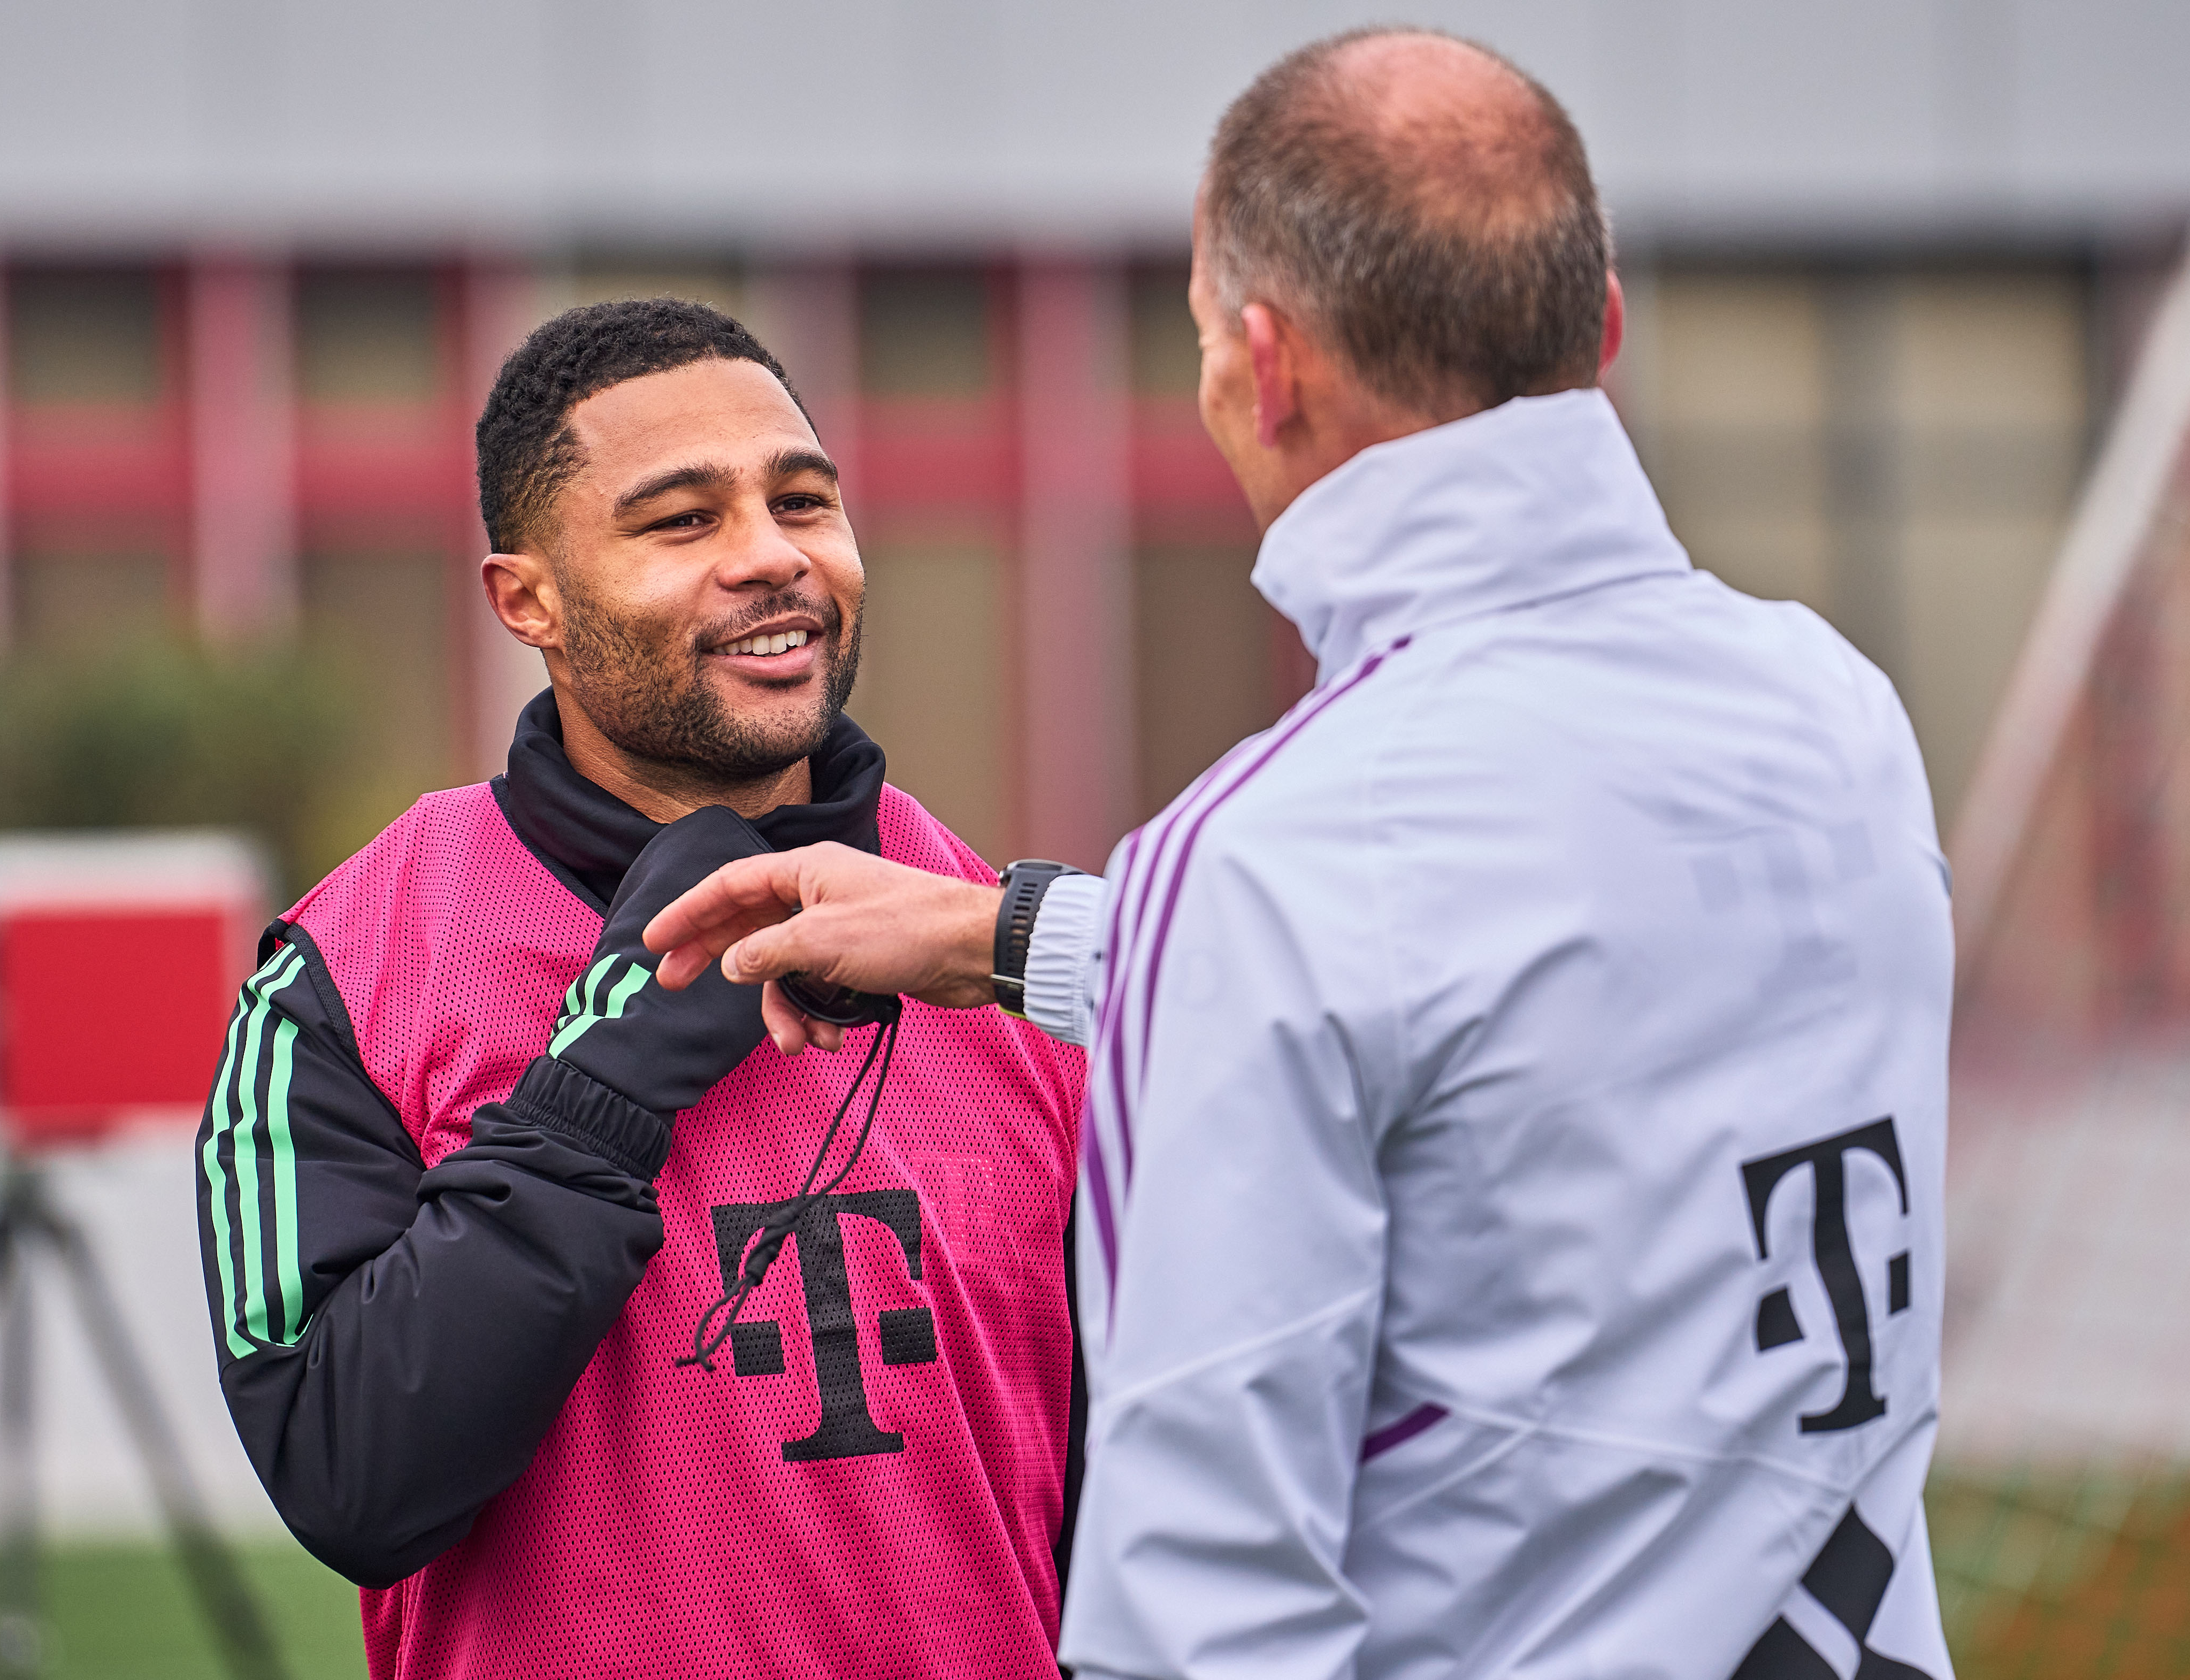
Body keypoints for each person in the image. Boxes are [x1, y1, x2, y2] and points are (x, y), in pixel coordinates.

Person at [646, 29, 1955, 1680]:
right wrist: (1007, 933)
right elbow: (1527, 977)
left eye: (1196, 335)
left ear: (1262, 365)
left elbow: (1201, 1609)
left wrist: (1151, 923)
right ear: (1602, 321)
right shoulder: (1834, 709)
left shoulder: (1284, 849)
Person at [192, 297, 1087, 1679]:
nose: (773, 558)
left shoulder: (1007, 947)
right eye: (682, 522)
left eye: (804, 501)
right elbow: (349, 1477)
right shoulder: (347, 969)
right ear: (527, 600)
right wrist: (597, 1094)